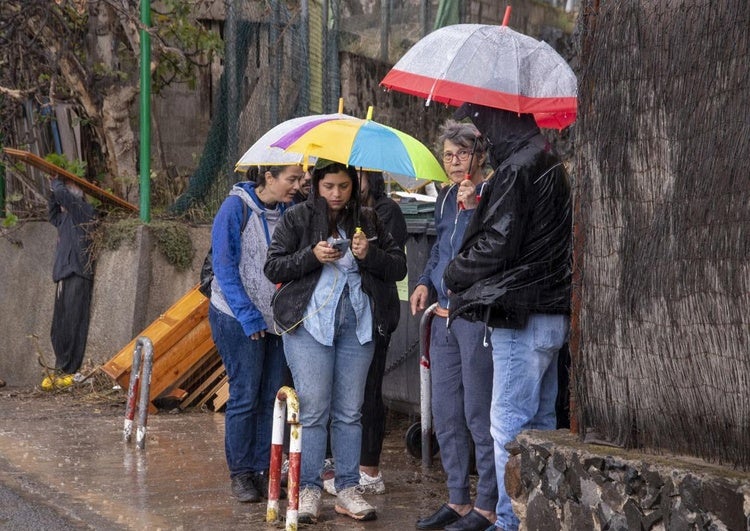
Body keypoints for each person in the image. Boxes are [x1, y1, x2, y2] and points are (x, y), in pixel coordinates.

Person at [444, 103, 572, 531]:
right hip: (551, 310)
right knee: (540, 426)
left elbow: (499, 242)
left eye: (483, 124)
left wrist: (454, 271)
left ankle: (508, 522)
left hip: (520, 311)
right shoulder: (548, 158)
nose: (480, 136)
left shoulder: (518, 167)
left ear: (499, 120)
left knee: (509, 428)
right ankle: (536, 518)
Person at [264, 160, 407, 523]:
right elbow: (274, 266)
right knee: (312, 411)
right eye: (329, 186)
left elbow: (398, 267)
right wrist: (310, 257)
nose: (337, 194)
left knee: (349, 412)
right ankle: (309, 489)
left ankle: (347, 488)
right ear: (316, 185)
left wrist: (367, 254)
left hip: (358, 326)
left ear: (354, 184)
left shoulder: (369, 220)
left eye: (344, 186)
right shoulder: (297, 218)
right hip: (309, 325)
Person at [410, 121, 498, 531]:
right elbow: (439, 250)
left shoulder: (493, 194)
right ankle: (458, 499)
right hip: (441, 320)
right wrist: (426, 282)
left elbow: (490, 251)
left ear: (479, 156)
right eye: (448, 154)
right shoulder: (443, 199)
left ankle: (487, 505)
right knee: (446, 415)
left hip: (475, 318)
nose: (454, 162)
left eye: (462, 153)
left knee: (479, 414)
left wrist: (474, 206)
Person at [207, 164, 303, 503]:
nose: (298, 185)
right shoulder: (236, 207)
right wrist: (248, 317)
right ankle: (242, 473)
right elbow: (223, 266)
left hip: (277, 318)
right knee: (246, 394)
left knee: (273, 396)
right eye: (291, 179)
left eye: (300, 178)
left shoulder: (292, 210)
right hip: (236, 316)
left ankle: (267, 469)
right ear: (268, 178)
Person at [45, 176, 97, 391]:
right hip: (63, 273)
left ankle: (70, 369)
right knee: (59, 327)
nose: (65, 189)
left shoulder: (84, 210)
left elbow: (64, 196)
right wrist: (52, 190)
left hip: (78, 271)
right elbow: (52, 213)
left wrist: (57, 183)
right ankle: (60, 368)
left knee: (74, 323)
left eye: (70, 185)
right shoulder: (66, 218)